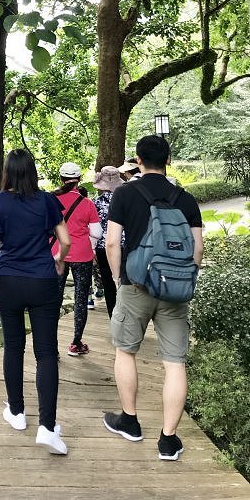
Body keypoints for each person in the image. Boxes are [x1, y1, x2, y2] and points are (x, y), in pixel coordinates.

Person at [103, 135, 203, 461]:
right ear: (168, 160)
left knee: (126, 351)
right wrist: (181, 281)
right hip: (174, 292)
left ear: (138, 161)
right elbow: (197, 249)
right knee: (175, 363)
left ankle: (130, 422)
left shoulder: (124, 193)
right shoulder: (186, 199)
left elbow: (112, 243)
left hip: (136, 285)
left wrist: (118, 279)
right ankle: (168, 441)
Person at [0, 149, 71, 455]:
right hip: (42, 280)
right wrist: (58, 260)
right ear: (32, 171)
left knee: (13, 346)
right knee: (46, 353)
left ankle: (17, 412)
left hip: (8, 280)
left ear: (7, 171)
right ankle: (47, 427)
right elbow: (66, 240)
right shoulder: (47, 201)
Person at [52, 162, 102, 356]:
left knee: (54, 299)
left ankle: (51, 345)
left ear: (61, 178)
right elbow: (97, 233)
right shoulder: (87, 203)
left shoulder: (51, 200)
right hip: (82, 254)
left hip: (57, 254)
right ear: (79, 179)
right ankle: (75, 343)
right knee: (81, 299)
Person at [91, 166, 124, 318]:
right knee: (125, 282)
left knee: (108, 282)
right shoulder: (126, 201)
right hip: (123, 244)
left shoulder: (96, 203)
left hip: (102, 247)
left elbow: (94, 229)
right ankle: (125, 314)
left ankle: (113, 316)